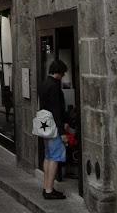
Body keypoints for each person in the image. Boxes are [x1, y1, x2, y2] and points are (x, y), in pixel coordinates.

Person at [39, 59, 69, 200]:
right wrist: (62, 132)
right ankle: (50, 190)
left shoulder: (44, 84)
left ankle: (46, 187)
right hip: (54, 126)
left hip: (46, 126)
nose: (63, 76)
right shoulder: (54, 86)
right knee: (55, 157)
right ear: (59, 72)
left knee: (48, 156)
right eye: (62, 73)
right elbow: (57, 110)